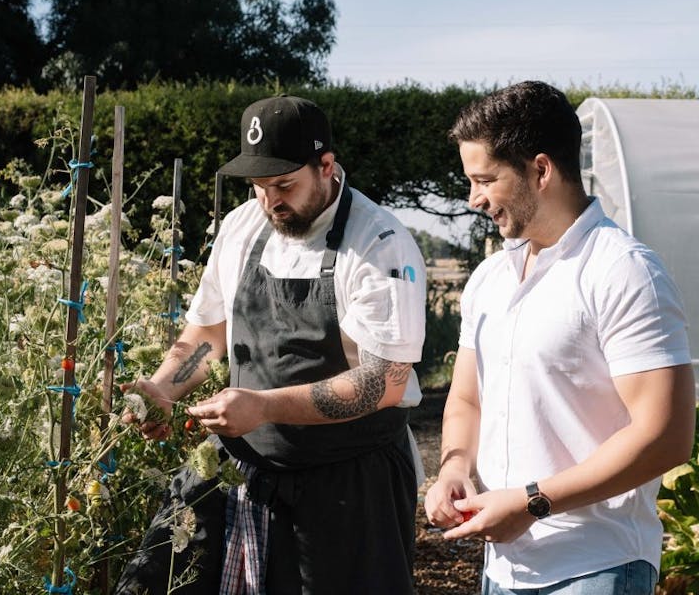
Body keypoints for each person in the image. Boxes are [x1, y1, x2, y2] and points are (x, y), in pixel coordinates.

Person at [114, 94, 427, 594]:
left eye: (284, 185)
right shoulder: (242, 227)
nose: (270, 201)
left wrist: (263, 406)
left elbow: (383, 383)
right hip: (245, 467)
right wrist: (162, 388)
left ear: (326, 166)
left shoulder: (378, 244)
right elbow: (208, 337)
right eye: (259, 187)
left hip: (348, 482)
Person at [423, 80, 695, 594]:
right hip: (503, 567)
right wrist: (455, 464)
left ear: (541, 170)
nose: (473, 198)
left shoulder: (624, 271)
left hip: (596, 565)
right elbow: (466, 398)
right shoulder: (489, 279)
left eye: (485, 179)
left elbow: (666, 435)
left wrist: (531, 503)